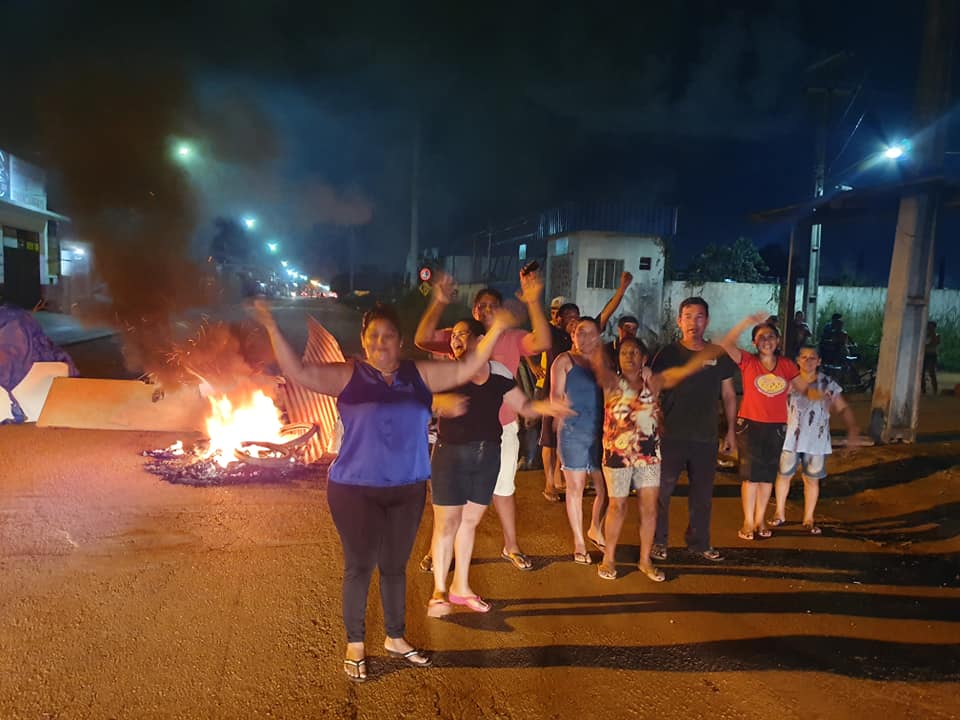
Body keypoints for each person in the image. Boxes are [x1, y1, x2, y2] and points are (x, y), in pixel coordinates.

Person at [251, 299, 511, 683]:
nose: (381, 342)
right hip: (354, 489)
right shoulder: (349, 375)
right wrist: (272, 327)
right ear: (363, 339)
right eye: (373, 335)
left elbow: (470, 366)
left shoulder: (418, 374)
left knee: (394, 568)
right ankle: (355, 643)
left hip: (407, 489)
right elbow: (299, 371)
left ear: (400, 340)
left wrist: (497, 328)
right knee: (359, 566)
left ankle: (395, 637)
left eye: (388, 335)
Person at [427, 319, 571, 617]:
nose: (455, 339)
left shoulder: (500, 372)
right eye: (453, 335)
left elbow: (525, 407)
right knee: (447, 523)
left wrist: (549, 407)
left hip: (487, 456)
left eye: (462, 334)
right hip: (450, 456)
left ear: (482, 339)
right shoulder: (446, 371)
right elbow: (421, 400)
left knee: (469, 523)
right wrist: (439, 401)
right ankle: (439, 592)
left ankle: (460, 588)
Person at [415, 269, 551, 571]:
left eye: (493, 305)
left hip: (502, 429)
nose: (487, 309)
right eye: (481, 305)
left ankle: (511, 546)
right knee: (450, 495)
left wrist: (532, 302)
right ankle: (437, 550)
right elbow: (423, 339)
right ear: (474, 311)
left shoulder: (512, 338)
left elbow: (542, 341)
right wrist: (438, 302)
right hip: (460, 432)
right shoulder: (460, 336)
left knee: (504, 489)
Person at [591, 336, 723, 581]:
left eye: (635, 353)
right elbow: (594, 355)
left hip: (649, 455)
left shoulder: (655, 383)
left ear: (644, 359)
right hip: (617, 455)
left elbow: (687, 370)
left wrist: (723, 342)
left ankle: (645, 560)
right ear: (618, 359)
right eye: (624, 353)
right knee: (617, 507)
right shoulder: (611, 382)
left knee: (650, 508)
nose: (629, 357)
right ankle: (608, 558)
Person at [651, 297, 738, 562]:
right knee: (661, 493)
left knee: (702, 496)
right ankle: (658, 542)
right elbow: (653, 389)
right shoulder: (667, 354)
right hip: (671, 436)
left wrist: (731, 431)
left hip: (705, 438)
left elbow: (729, 394)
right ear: (679, 321)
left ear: (707, 321)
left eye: (699, 316)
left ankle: (699, 542)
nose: (693, 322)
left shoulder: (717, 354)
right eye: (687, 316)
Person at [719, 312, 804, 541]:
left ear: (778, 342)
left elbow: (803, 388)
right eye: (761, 337)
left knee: (767, 477)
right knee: (750, 477)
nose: (766, 340)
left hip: (776, 427)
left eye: (771, 336)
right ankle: (747, 521)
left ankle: (760, 520)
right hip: (749, 425)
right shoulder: (748, 361)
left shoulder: (786, 365)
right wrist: (748, 322)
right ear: (754, 343)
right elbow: (726, 343)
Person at [772, 344, 859, 533]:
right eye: (804, 357)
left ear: (819, 361)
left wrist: (852, 429)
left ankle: (809, 518)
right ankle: (779, 513)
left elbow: (842, 407)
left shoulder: (828, 384)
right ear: (797, 360)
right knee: (784, 475)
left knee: (812, 479)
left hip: (817, 441)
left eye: (812, 357)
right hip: (790, 438)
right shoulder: (788, 382)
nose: (808, 361)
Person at [551, 317, 607, 563]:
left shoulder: (601, 362)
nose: (585, 338)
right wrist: (561, 408)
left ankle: (595, 527)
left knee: (606, 489)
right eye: (580, 332)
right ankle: (579, 543)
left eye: (591, 333)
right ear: (573, 334)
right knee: (576, 489)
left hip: (600, 434)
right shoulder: (564, 360)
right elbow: (554, 394)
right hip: (573, 433)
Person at [923, 320, 941, 395]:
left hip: (931, 355)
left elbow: (935, 343)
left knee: (931, 372)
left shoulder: (937, 335)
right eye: (928, 327)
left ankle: (935, 390)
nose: (930, 328)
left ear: (934, 328)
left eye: (931, 327)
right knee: (921, 373)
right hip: (924, 355)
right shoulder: (924, 335)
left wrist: (932, 335)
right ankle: (923, 389)